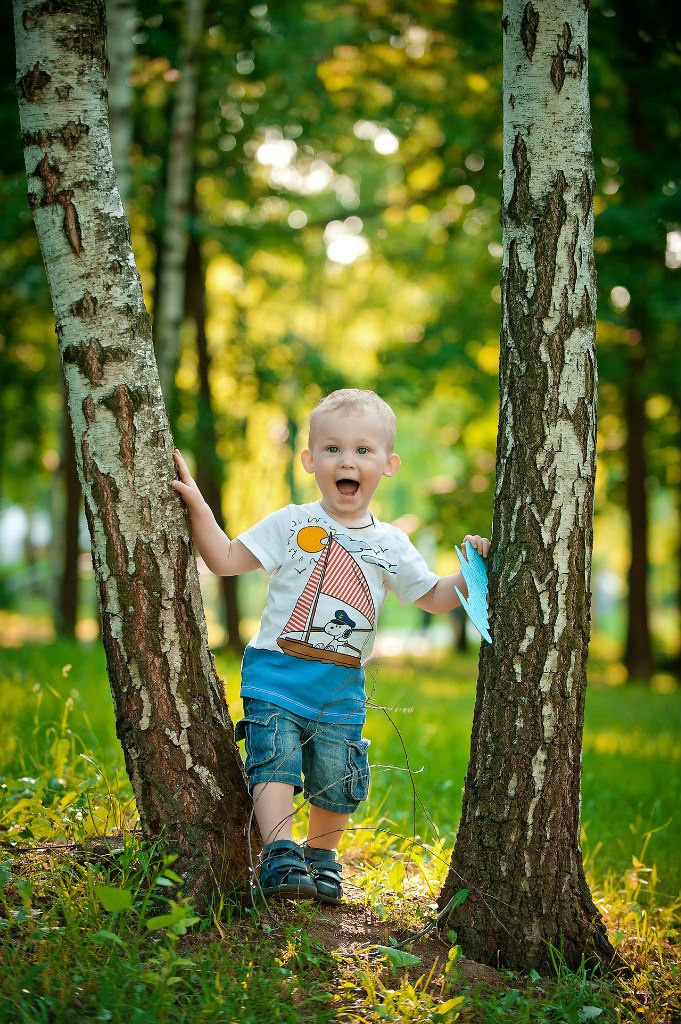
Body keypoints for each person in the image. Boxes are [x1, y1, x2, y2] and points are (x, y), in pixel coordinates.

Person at [171, 389, 490, 904]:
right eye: (333, 449)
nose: (347, 460)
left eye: (363, 451)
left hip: (340, 686)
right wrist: (199, 506)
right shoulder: (293, 523)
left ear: (388, 465)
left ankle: (322, 860)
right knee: (274, 759)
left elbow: (431, 596)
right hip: (275, 674)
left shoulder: (390, 543)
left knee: (335, 772)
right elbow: (226, 559)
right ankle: (279, 854)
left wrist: (472, 573)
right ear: (310, 460)